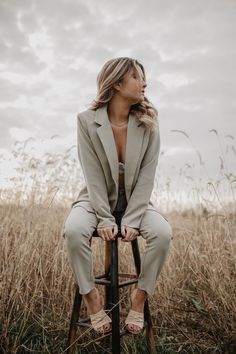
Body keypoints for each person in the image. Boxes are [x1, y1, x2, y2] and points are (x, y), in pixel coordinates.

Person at [62, 57, 172, 335]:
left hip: (137, 202)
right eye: (137, 77)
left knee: (162, 232)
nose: (145, 83)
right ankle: (92, 300)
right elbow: (93, 175)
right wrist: (103, 217)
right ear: (118, 82)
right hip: (94, 201)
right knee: (74, 231)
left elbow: (147, 177)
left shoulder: (149, 121)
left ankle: (139, 298)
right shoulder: (86, 121)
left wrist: (133, 219)